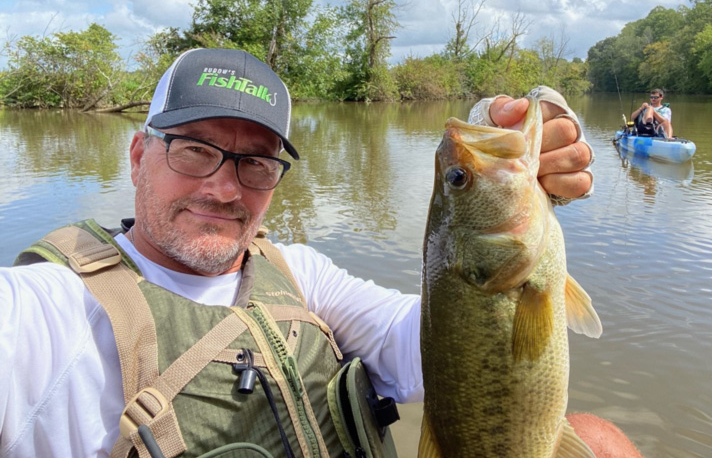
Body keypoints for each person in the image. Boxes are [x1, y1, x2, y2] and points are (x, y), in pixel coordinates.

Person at [0, 48, 638, 457]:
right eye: (194, 149)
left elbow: (448, 342)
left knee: (601, 441)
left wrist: (507, 122)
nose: (224, 187)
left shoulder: (297, 274)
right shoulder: (42, 312)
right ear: (139, 155)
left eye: (255, 161)